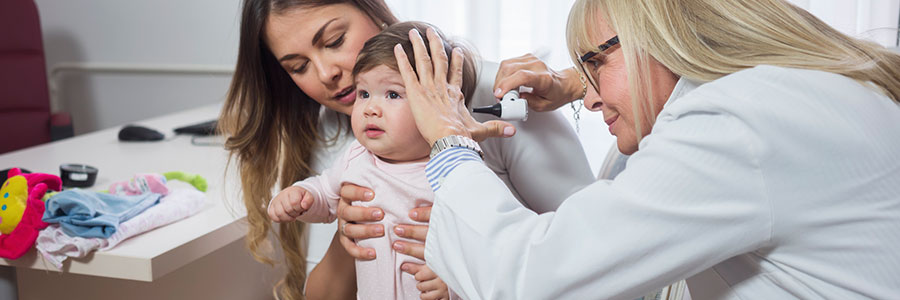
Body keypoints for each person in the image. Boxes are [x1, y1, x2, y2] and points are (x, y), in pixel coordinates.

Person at [394, 0, 900, 299]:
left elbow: (532, 279)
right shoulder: (800, 90)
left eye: (594, 65)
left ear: (660, 38)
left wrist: (449, 140)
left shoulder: (732, 124)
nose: (589, 98)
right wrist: (580, 79)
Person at [217, 0, 595, 299]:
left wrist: (473, 252)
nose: (325, 73)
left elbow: (597, 258)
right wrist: (350, 233)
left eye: (334, 41)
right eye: (298, 66)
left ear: (373, 8)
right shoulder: (339, 131)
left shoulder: (499, 101)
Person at [267, 21, 473, 300]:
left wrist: (454, 285)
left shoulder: (456, 169)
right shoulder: (356, 157)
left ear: (441, 107)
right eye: (364, 93)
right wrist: (301, 196)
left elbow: (484, 256)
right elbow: (326, 196)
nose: (370, 109)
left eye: (392, 94)